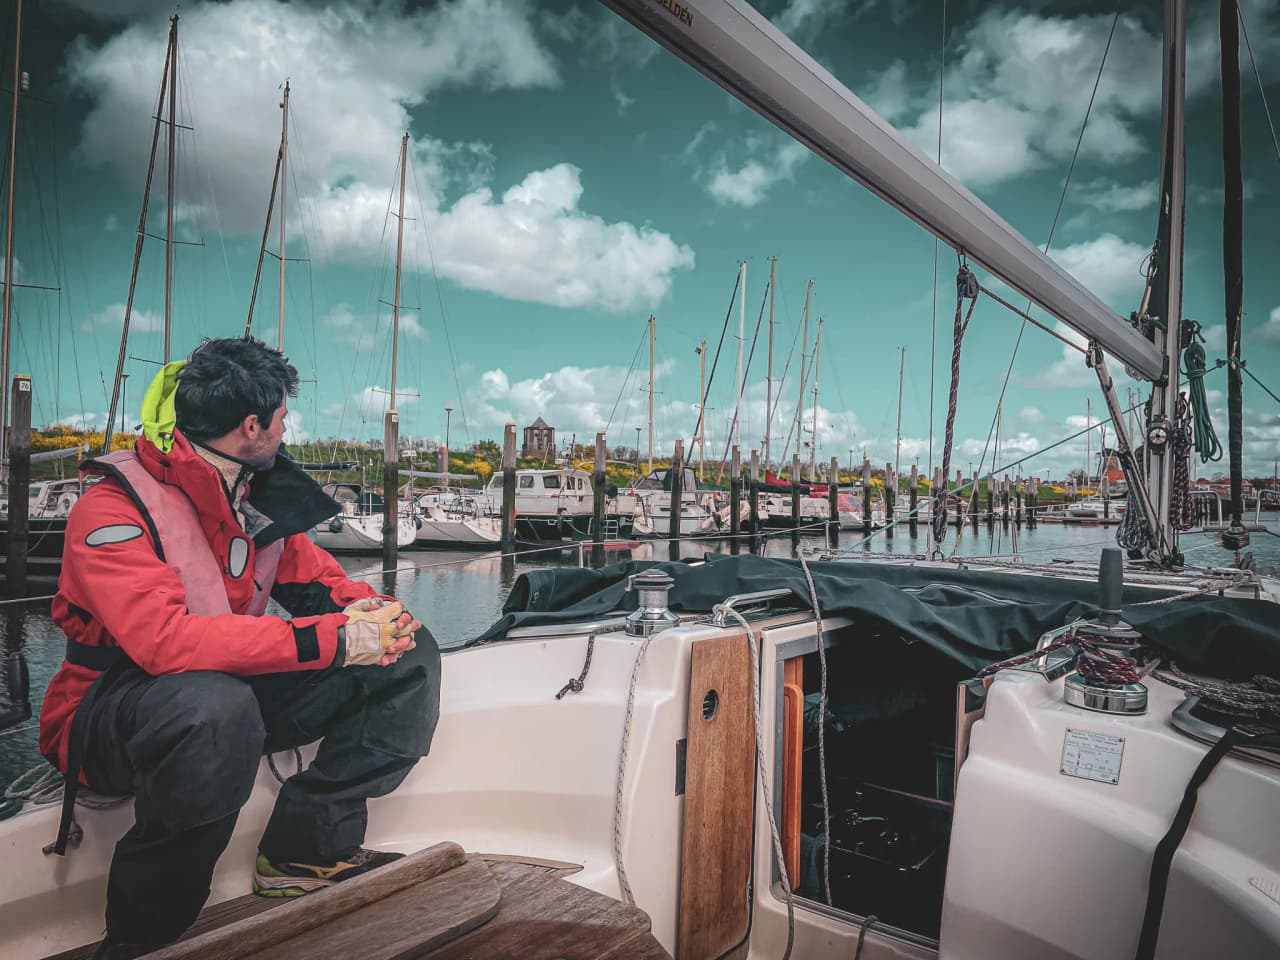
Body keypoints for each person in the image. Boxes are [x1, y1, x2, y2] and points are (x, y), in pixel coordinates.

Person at [38, 337, 441, 960]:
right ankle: (140, 938)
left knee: (405, 655)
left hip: (223, 686)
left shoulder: (250, 496)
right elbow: (164, 642)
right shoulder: (109, 508)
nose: (288, 428)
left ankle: (303, 853)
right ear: (252, 426)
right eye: (284, 417)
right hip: (106, 713)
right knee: (215, 710)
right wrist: (333, 640)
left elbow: (317, 580)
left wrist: (368, 613)